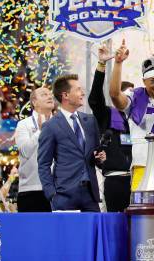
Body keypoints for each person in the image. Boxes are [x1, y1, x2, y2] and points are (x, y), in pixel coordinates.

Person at [110, 39, 154, 191]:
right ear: (144, 81)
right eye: (153, 81)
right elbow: (114, 94)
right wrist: (118, 63)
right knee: (142, 210)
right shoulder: (136, 97)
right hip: (144, 163)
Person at [37, 74, 106, 212]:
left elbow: (95, 156)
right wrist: (52, 194)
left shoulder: (90, 121)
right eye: (78, 89)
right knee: (66, 234)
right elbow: (43, 164)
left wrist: (100, 158)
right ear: (65, 95)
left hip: (90, 194)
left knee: (91, 233)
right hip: (64, 195)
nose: (83, 93)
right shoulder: (51, 126)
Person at [89, 45, 133, 212]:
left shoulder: (139, 119)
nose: (130, 99)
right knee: (116, 226)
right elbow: (94, 99)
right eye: (127, 94)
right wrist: (101, 64)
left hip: (139, 178)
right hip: (116, 180)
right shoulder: (107, 115)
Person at [15, 87, 54, 212]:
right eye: (44, 94)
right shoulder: (24, 124)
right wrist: (40, 131)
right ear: (34, 102)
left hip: (58, 190)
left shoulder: (61, 123)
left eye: (50, 94)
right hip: (31, 189)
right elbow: (24, 151)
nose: (49, 96)